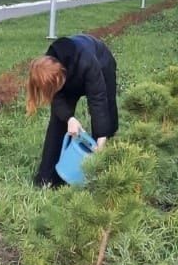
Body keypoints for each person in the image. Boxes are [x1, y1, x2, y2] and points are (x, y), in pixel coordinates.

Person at [26, 34, 119, 188]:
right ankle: (47, 178)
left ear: (61, 76)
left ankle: (101, 168)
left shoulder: (86, 62)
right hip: (66, 75)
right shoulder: (48, 67)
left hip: (102, 64)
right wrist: (70, 119)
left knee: (106, 113)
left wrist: (102, 136)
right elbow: (58, 100)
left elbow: (98, 99)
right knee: (58, 121)